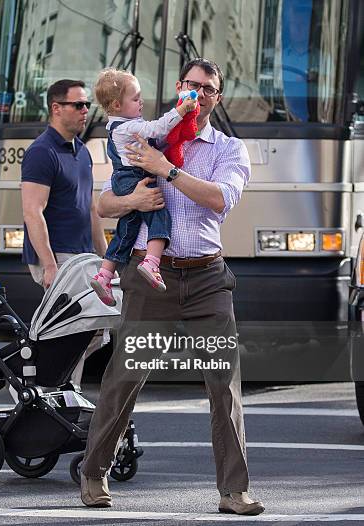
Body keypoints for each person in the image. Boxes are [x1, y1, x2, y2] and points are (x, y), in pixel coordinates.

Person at [80, 59, 265, 516]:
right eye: (190, 85)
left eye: (207, 89)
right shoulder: (147, 132)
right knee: (125, 379)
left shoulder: (229, 149)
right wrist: (132, 200)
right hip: (150, 274)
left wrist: (168, 170)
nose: (197, 94)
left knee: (224, 386)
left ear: (216, 98)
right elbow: (104, 202)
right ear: (179, 88)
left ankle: (234, 491)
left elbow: (221, 200)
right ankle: (92, 471)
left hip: (207, 277)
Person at [21, 79, 107, 388]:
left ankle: (50, 384)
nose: (86, 111)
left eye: (87, 105)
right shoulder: (41, 153)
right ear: (56, 108)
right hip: (57, 257)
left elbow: (90, 209)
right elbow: (33, 210)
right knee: (75, 327)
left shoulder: (82, 151)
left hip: (83, 257)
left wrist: (106, 259)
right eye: (79, 105)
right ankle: (55, 390)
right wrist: (48, 265)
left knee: (98, 329)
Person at [90, 67, 197, 306]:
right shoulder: (129, 127)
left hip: (123, 179)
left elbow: (153, 141)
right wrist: (181, 110)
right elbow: (157, 129)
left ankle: (105, 274)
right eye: (136, 98)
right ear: (117, 105)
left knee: (127, 227)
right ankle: (151, 262)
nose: (142, 102)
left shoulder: (116, 126)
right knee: (159, 211)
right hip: (134, 177)